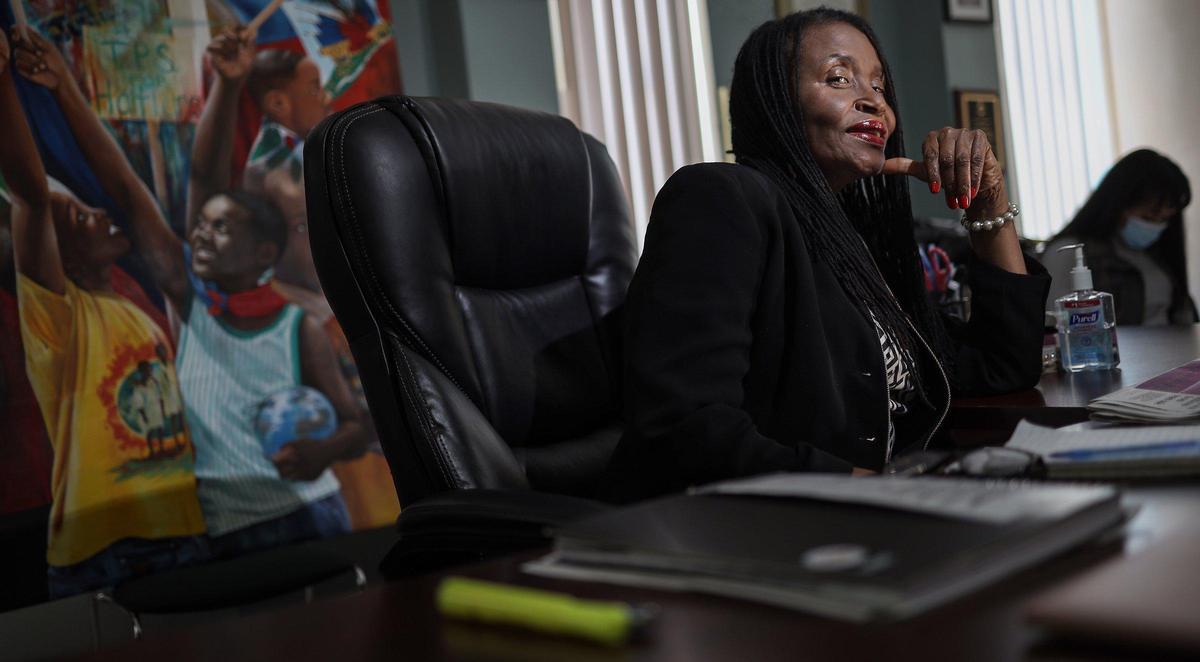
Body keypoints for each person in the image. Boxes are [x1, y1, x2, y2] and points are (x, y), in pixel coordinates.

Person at [603, 9, 1051, 502]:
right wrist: (883, 492)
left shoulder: (849, 240)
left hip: (888, 509)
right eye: (838, 78)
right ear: (777, 103)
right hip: (767, 524)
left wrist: (989, 201)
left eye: (880, 88)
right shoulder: (720, 198)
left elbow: (1000, 365)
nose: (872, 102)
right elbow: (686, 429)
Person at [16, 26, 369, 560]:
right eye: (200, 225)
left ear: (262, 256)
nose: (199, 233)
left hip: (312, 516)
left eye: (221, 228)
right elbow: (136, 194)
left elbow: (355, 425)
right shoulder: (192, 306)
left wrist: (322, 451)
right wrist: (65, 87)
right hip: (229, 533)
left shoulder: (297, 329)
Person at [2, 27, 207, 596]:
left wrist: (66, 87)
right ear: (56, 255)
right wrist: (2, 85)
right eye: (78, 218)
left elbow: (125, 187)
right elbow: (29, 197)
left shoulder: (143, 310)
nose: (97, 212)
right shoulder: (59, 322)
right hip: (103, 555)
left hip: (185, 535)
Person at [1042, 149, 1194, 325]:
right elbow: (1055, 324)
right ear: (1118, 204)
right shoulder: (1070, 252)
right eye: (1147, 218)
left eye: (1164, 220)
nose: (1155, 227)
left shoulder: (1157, 254)